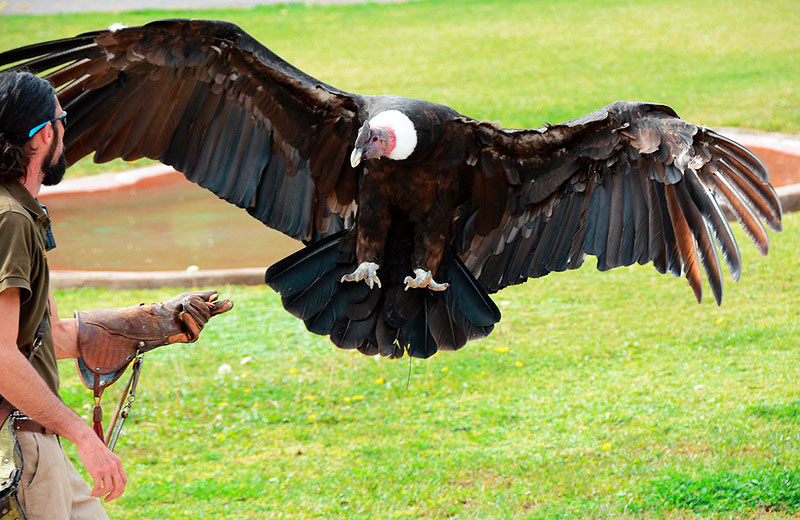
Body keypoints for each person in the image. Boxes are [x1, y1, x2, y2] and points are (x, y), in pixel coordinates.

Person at [0, 70, 233, 519]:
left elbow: (45, 337)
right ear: (45, 133)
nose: (65, 128)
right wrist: (83, 436)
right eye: (62, 118)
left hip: (39, 445)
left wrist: (152, 322)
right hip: (21, 446)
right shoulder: (9, 220)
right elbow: (2, 357)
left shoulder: (22, 212)